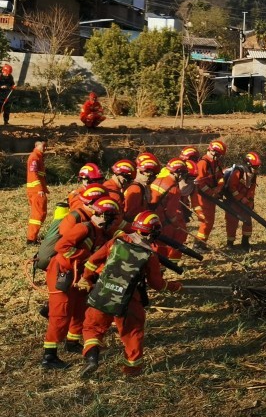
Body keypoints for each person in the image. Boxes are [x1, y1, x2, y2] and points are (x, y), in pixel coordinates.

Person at [77, 211, 183, 378]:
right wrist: (174, 287)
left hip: (102, 293)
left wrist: (86, 279)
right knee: (132, 333)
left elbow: (92, 261)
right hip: (128, 300)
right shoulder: (150, 255)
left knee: (92, 327)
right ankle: (132, 370)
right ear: (154, 232)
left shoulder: (116, 241)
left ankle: (91, 358)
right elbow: (157, 284)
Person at [41, 195, 118, 369]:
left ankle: (72, 341)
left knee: (80, 308)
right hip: (62, 273)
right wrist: (86, 257)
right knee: (61, 314)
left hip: (79, 275)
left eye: (105, 217)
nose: (101, 219)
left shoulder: (101, 235)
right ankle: (49, 356)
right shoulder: (84, 228)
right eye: (99, 215)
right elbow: (61, 247)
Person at [224, 152, 261, 249]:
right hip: (232, 202)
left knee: (247, 221)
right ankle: (230, 243)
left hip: (245, 202)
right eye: (255, 166)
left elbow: (252, 188)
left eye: (257, 167)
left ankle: (245, 242)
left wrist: (249, 200)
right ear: (248, 164)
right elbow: (232, 187)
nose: (256, 169)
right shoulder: (238, 171)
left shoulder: (253, 173)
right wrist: (240, 198)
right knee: (232, 222)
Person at [194, 140, 226, 248]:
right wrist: (211, 192)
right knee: (207, 220)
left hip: (211, 195)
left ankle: (202, 243)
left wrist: (219, 187)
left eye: (220, 155)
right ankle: (198, 244)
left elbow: (220, 176)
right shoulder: (203, 163)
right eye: (218, 154)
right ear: (212, 151)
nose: (218, 157)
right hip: (203, 197)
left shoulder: (215, 162)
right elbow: (199, 183)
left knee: (210, 220)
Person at [25, 138, 48, 246]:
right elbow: (33, 174)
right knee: (38, 215)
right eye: (43, 146)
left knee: (38, 214)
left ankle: (32, 237)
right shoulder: (34, 157)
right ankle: (31, 239)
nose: (45, 148)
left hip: (36, 190)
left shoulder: (38, 157)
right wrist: (39, 189)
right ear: (36, 146)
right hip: (37, 191)